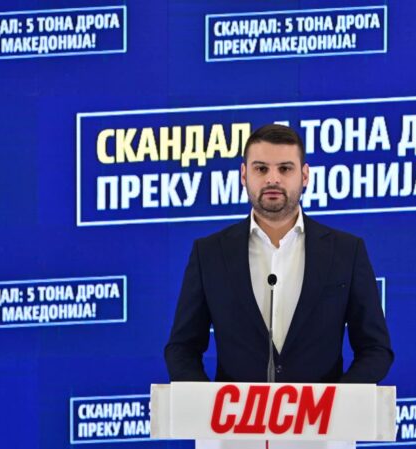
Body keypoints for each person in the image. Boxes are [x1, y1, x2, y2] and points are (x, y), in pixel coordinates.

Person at [164, 124, 393, 383]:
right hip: (234, 410)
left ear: (304, 176)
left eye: (285, 169)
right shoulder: (209, 253)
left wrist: (334, 401)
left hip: (322, 409)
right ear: (243, 175)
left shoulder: (346, 251)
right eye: (261, 169)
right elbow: (181, 349)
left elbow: (376, 349)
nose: (272, 179)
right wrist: (210, 403)